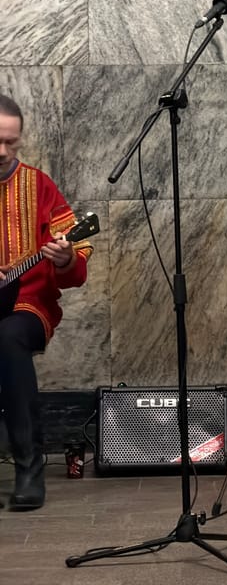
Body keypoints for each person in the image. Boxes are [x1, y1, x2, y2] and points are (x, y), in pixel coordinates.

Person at [0, 94, 93, 510]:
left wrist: (66, 256)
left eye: (12, 142)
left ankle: (29, 468)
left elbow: (76, 261)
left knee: (9, 338)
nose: (3, 152)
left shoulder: (38, 184)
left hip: (28, 302)